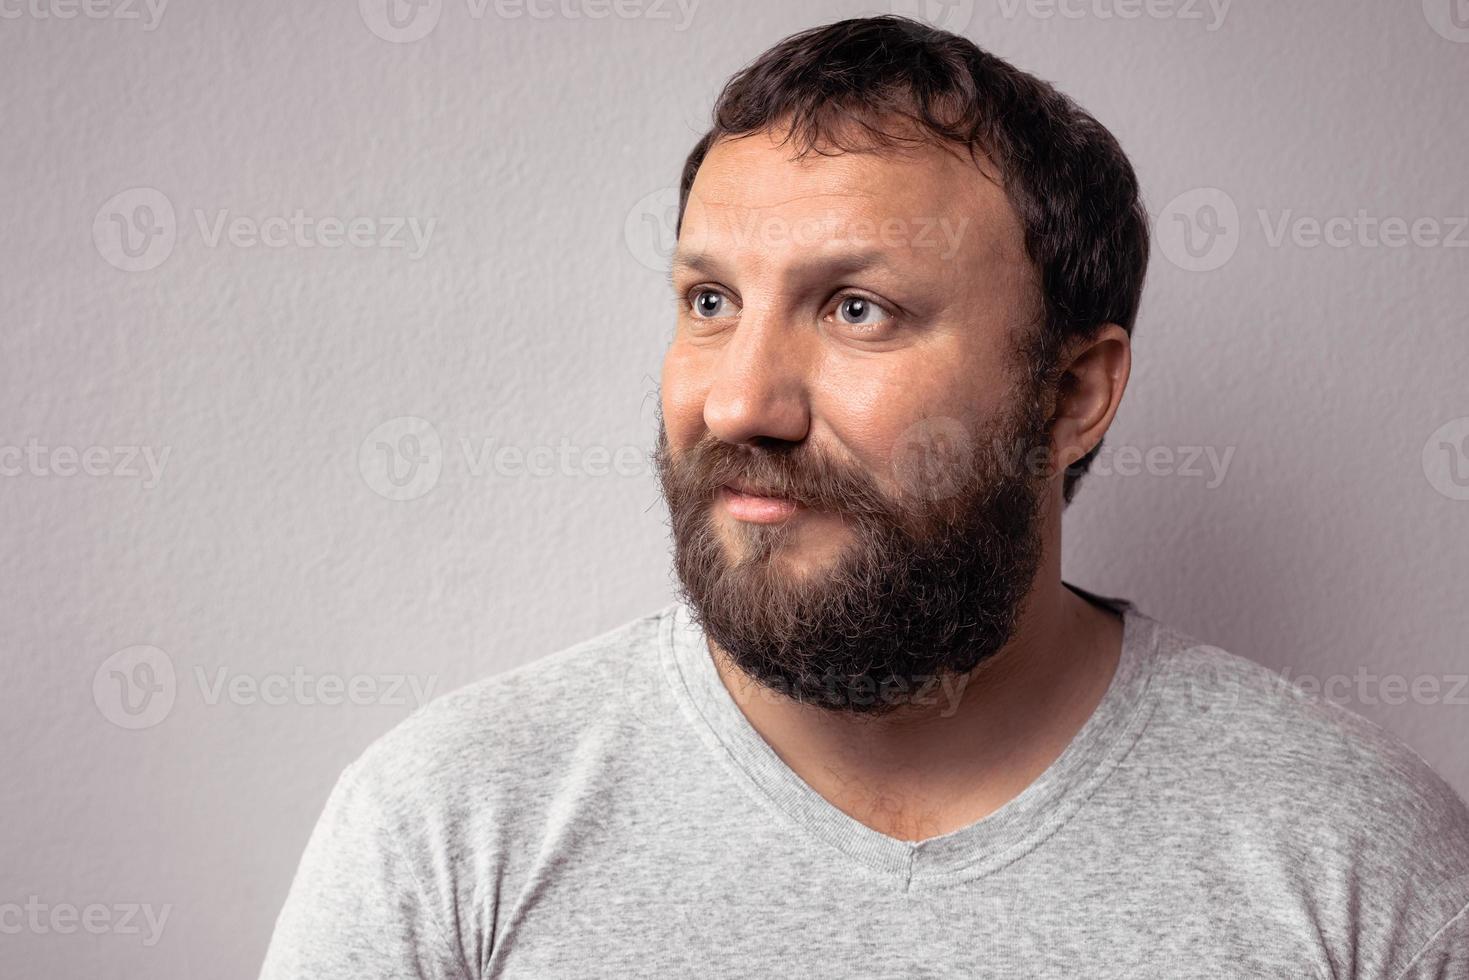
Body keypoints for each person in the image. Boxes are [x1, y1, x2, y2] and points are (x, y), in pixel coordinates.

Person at [259, 16, 1469, 978]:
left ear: (1071, 392)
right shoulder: (445, 825)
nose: (739, 405)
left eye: (856, 309)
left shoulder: (1362, 864)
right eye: (708, 302)